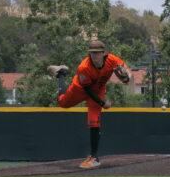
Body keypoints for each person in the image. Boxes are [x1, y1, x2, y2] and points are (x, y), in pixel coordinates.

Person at [48, 40, 131, 169]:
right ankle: (61, 74)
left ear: (104, 53)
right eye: (92, 53)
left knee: (94, 121)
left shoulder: (112, 60)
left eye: (98, 53)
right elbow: (87, 90)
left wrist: (127, 77)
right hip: (81, 88)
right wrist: (102, 102)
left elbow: (126, 71)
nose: (95, 56)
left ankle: (94, 157)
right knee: (62, 103)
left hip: (98, 89)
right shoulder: (84, 67)